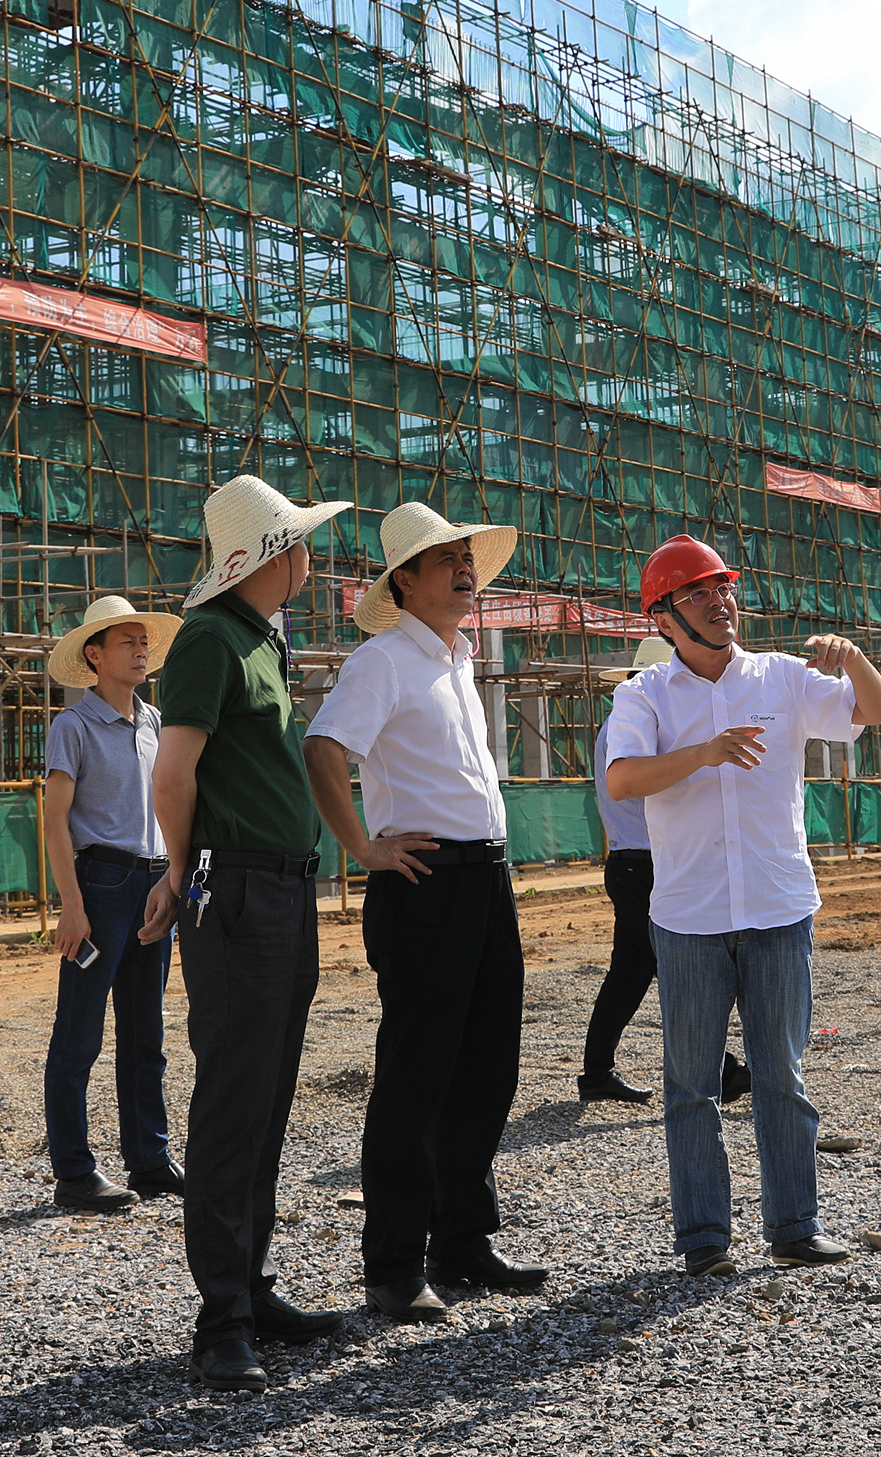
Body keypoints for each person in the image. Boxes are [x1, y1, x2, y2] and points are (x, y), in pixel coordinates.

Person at [603, 536, 881, 1277]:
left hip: (777, 908)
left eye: (723, 587)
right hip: (689, 917)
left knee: (781, 1076)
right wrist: (703, 752)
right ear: (663, 616)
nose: (720, 601)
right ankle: (704, 1239)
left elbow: (876, 710)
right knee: (690, 1086)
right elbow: (623, 780)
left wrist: (854, 658)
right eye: (698, 592)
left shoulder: (781, 677)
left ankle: (795, 1226)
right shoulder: (643, 695)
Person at [305, 503, 549, 1322]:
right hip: (425, 883)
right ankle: (394, 1263)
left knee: (488, 1066)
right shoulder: (383, 659)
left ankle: (463, 1239)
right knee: (416, 1078)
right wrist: (361, 847)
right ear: (403, 581)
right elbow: (324, 747)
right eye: (445, 558)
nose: (465, 567)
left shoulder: (457, 658)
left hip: (485, 880)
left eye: (466, 554)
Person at [138, 475, 355, 1393]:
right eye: (298, 542)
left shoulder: (260, 639)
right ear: (270, 555)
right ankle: (221, 1317)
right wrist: (179, 872)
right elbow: (173, 775)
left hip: (281, 889)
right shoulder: (209, 639)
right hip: (235, 889)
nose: (310, 557)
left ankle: (250, 1287)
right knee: (234, 1101)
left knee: (265, 1097)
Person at [38, 595, 184, 1213]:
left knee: (146, 1033)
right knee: (79, 1035)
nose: (141, 651)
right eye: (128, 641)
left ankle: (150, 1160)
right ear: (94, 655)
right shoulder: (72, 727)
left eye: (144, 641)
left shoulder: (156, 723)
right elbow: (55, 819)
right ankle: (74, 1172)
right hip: (99, 886)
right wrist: (71, 905)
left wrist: (173, 878)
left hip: (153, 885)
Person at [579, 638, 748, 1109]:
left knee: (630, 974)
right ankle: (724, 1071)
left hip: (633, 864)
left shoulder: (621, 727)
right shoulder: (638, 729)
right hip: (648, 866)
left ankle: (596, 1074)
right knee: (683, 971)